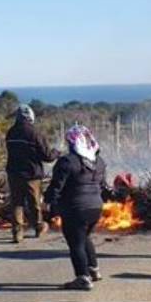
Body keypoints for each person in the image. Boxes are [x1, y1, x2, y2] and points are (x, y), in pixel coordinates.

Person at [45, 124, 108, 291]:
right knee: (84, 237)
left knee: (76, 243)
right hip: (95, 207)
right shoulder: (99, 161)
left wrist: (49, 206)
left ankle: (83, 277)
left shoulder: (67, 161)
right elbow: (103, 186)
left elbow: (56, 187)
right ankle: (93, 269)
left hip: (75, 208)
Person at [5, 104, 60, 244]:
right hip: (31, 175)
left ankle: (17, 233)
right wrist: (57, 152)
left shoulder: (11, 132)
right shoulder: (34, 133)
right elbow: (47, 156)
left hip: (14, 173)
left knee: (17, 203)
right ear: (30, 116)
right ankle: (38, 227)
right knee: (34, 203)